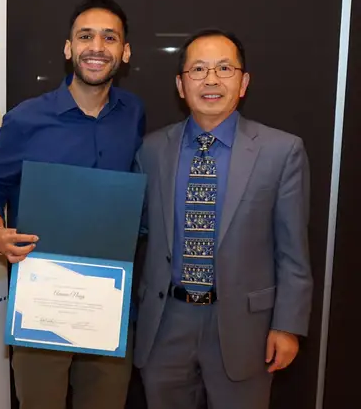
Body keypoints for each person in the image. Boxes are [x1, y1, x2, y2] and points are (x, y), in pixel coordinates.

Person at [0, 0, 145, 409]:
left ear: (125, 51)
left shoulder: (133, 114)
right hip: (42, 302)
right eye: (85, 36)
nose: (96, 47)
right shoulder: (27, 119)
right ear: (69, 48)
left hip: (109, 302)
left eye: (109, 37)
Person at [133, 28, 313, 409]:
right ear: (181, 85)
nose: (211, 80)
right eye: (198, 69)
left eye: (224, 68)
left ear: (243, 82)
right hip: (165, 323)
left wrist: (288, 325)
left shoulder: (282, 152)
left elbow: (293, 250)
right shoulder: (150, 150)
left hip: (245, 328)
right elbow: (137, 230)